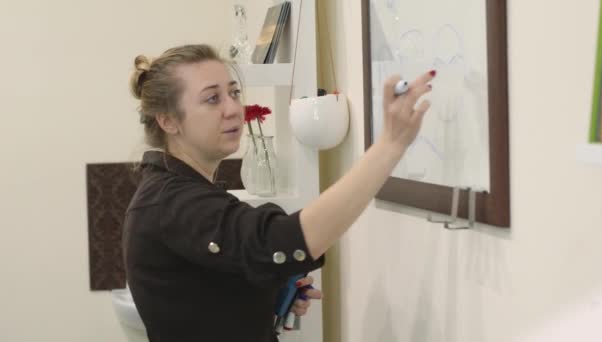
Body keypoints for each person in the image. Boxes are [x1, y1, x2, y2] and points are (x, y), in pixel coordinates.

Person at [123, 44, 434, 342]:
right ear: (168, 120)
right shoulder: (172, 203)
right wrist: (389, 146)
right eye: (212, 99)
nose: (233, 109)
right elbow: (283, 240)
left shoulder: (178, 192)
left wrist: (267, 296)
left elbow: (200, 298)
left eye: (233, 93)